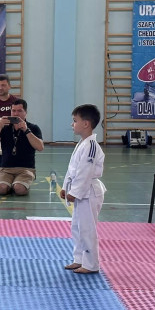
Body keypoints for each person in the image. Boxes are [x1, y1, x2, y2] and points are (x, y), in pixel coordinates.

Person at [61, 104, 106, 275]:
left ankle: (91, 264)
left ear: (86, 124)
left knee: (87, 229)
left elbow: (85, 172)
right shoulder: (82, 144)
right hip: (81, 191)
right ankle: (79, 258)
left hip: (89, 192)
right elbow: (73, 169)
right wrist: (65, 187)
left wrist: (75, 192)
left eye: (75, 121)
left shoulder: (92, 146)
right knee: (77, 227)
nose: (72, 124)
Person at [0, 99, 43, 196]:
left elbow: (40, 147)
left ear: (25, 112)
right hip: (6, 169)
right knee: (2, 189)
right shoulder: (5, 127)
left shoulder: (33, 128)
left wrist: (26, 130)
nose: (16, 114)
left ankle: (18, 184)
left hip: (26, 169)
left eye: (19, 111)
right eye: (13, 110)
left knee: (19, 189)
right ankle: (10, 184)